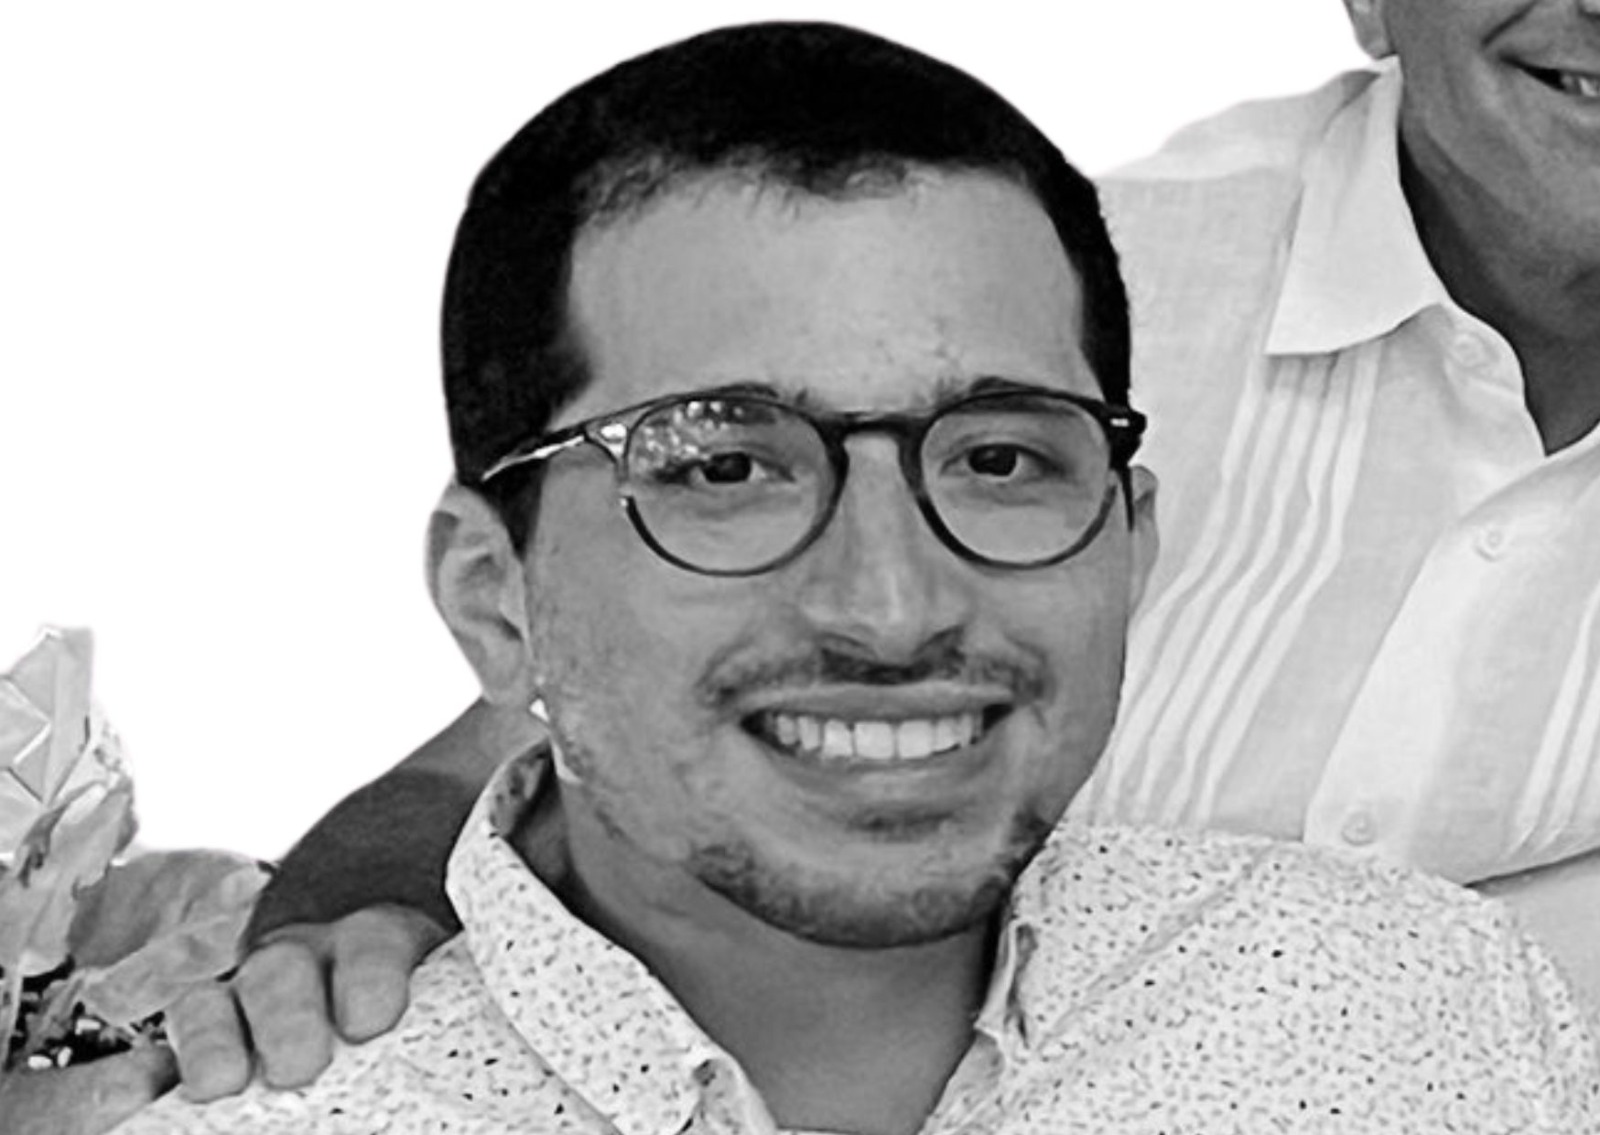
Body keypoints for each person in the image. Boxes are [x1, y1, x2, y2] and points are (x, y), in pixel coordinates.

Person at [104, 21, 1599, 1134]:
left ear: (1135, 538)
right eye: (727, 467)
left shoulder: (1444, 1006)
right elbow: (562, 693)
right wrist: (335, 975)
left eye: (998, 461)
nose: (892, 604)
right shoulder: (1027, 261)